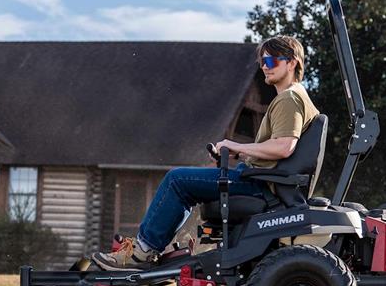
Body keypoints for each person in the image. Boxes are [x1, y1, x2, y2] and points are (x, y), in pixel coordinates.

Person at [92, 35, 320, 271]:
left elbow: (284, 147)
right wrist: (238, 154)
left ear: (292, 62)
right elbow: (277, 149)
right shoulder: (295, 96)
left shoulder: (289, 98)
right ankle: (151, 248)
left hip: (261, 187)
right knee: (185, 181)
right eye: (262, 61)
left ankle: (142, 252)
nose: (264, 66)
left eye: (271, 62)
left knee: (177, 180)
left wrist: (237, 146)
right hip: (261, 181)